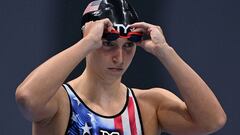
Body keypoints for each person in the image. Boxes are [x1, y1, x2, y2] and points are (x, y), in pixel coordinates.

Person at [15, 0, 226, 135]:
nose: (119, 57)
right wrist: (87, 42)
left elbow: (212, 121)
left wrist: (166, 52)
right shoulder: (60, 102)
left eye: (128, 46)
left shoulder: (149, 106)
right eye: (108, 44)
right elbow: (27, 98)